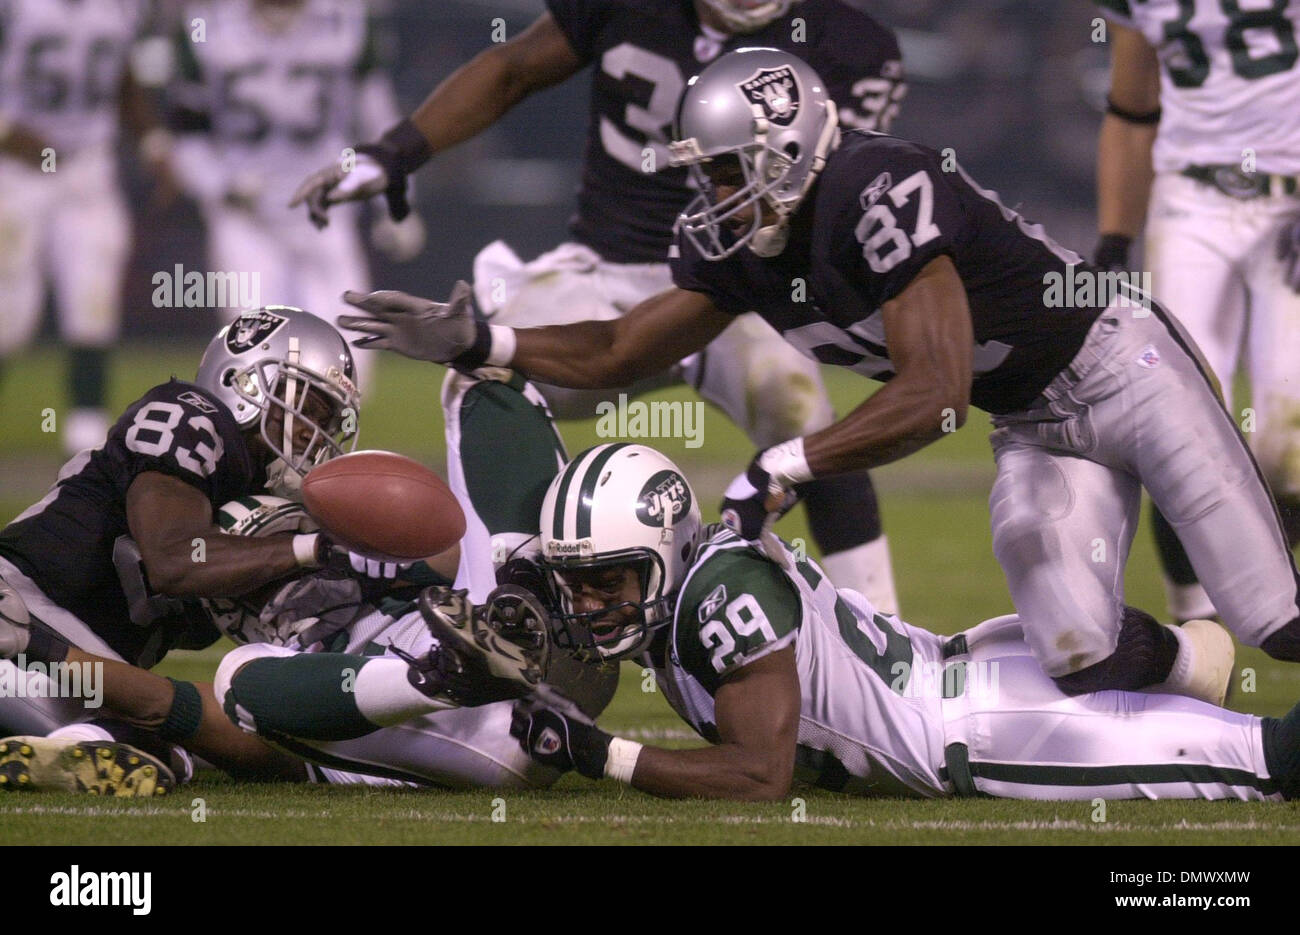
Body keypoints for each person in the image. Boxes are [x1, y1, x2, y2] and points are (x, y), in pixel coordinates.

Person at [338, 47, 1300, 703]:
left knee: (1278, 615)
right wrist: (485, 346)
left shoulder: (878, 189)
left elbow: (934, 393)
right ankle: (1195, 671)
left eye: (723, 169)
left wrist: (784, 463)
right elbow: (625, 348)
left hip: (1120, 367)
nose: (709, 193)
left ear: (783, 145)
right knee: (1080, 655)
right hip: (1033, 423)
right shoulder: (747, 241)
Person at [291, 0, 907, 612]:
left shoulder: (849, 43)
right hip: (604, 272)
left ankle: (881, 631)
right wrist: (396, 151)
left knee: (810, 430)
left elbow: (836, 190)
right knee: (479, 377)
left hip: (743, 287)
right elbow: (516, 67)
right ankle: (506, 600)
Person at [508, 430, 1300, 803]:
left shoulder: (720, 599)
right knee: (1209, 702)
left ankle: (1181, 671)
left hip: (988, 728)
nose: (590, 603)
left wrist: (601, 753)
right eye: (577, 582)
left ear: (665, 550)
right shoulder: (696, 573)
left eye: (607, 579)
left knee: (1278, 763)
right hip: (978, 658)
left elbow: (761, 775)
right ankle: (1180, 662)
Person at [0, 306, 402, 758]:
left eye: (324, 420)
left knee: (219, 736)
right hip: (20, 610)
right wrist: (314, 548)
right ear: (244, 382)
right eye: (304, 407)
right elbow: (175, 561)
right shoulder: (190, 418)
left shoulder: (256, 493)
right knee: (170, 737)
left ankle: (90, 743)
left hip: (81, 658)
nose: (311, 433)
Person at [1093, 0, 1300, 624]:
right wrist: (1112, 241)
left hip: (1291, 199)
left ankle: (1272, 597)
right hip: (1190, 198)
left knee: (1286, 448)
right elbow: (1131, 109)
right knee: (1178, 421)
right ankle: (1201, 623)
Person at [166, 0, 425, 391]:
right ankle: (263, 450)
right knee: (251, 358)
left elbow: (378, 120)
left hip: (326, 207)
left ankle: (331, 451)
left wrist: (397, 201)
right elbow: (186, 136)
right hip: (247, 217)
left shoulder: (347, 20)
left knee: (348, 361)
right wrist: (221, 185)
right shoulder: (207, 28)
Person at [0, 0, 177, 454]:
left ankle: (86, 426)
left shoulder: (117, 9)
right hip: (16, 174)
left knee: (92, 298)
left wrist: (153, 143)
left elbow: (123, 80)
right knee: (10, 311)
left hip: (87, 169)